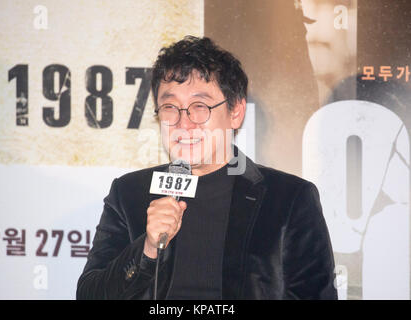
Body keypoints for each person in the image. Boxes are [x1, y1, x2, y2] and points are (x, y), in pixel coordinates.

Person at [76, 36, 337, 300]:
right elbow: (89, 294)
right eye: (170, 107)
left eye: (200, 106)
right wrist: (147, 249)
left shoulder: (288, 198)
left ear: (236, 112)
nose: (184, 123)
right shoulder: (129, 192)